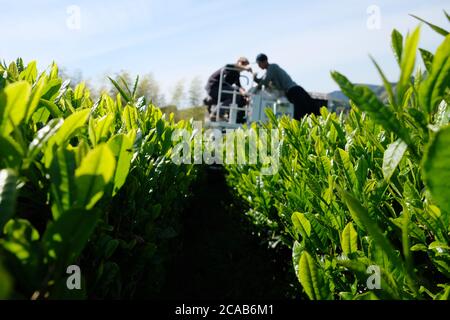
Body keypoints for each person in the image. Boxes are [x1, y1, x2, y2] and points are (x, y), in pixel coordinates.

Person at [253, 53, 320, 119]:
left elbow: (264, 82)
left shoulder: (272, 67)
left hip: (294, 91)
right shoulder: (269, 70)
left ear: (265, 61)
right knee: (308, 110)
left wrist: (255, 89)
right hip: (292, 92)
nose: (258, 66)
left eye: (259, 63)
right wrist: (255, 79)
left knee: (301, 114)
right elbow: (263, 80)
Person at [204, 57, 251, 121]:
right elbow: (230, 66)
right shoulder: (229, 67)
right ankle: (216, 114)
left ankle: (222, 113)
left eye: (245, 64)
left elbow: (238, 86)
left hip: (218, 89)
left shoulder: (236, 74)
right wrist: (245, 68)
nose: (244, 66)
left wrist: (245, 94)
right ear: (238, 62)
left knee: (236, 96)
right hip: (214, 87)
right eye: (243, 63)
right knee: (236, 95)